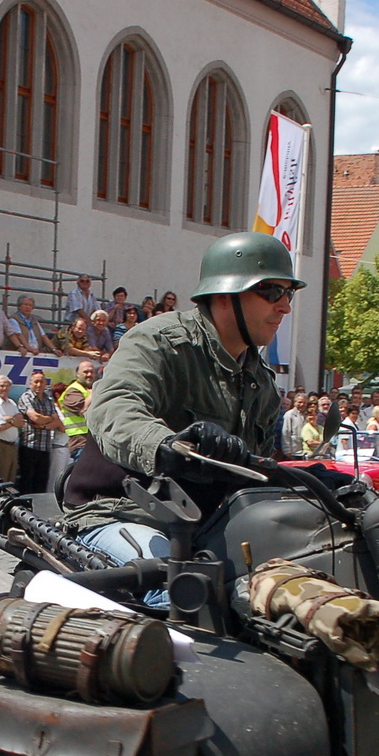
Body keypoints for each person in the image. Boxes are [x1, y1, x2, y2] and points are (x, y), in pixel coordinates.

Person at [61, 233, 297, 598]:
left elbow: (257, 471)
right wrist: (167, 446)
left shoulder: (260, 382)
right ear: (223, 295)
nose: (284, 306)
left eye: (289, 293)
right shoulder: (158, 342)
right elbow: (115, 408)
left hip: (209, 527)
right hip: (121, 513)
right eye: (271, 292)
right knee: (179, 593)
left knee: (298, 583)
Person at [16, 369, 64, 494]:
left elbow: (57, 421)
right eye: (36, 382)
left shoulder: (48, 399)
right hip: (29, 446)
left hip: (45, 447)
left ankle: (39, 510)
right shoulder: (26, 397)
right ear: (30, 383)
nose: (39, 385)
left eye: (41, 382)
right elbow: (35, 417)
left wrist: (43, 425)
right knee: (27, 481)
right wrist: (48, 419)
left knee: (41, 482)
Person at [58, 360, 96, 456]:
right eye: (85, 372)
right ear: (77, 375)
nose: (89, 374)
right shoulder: (73, 391)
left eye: (92, 372)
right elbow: (83, 410)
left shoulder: (91, 390)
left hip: (94, 440)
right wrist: (93, 394)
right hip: (80, 441)